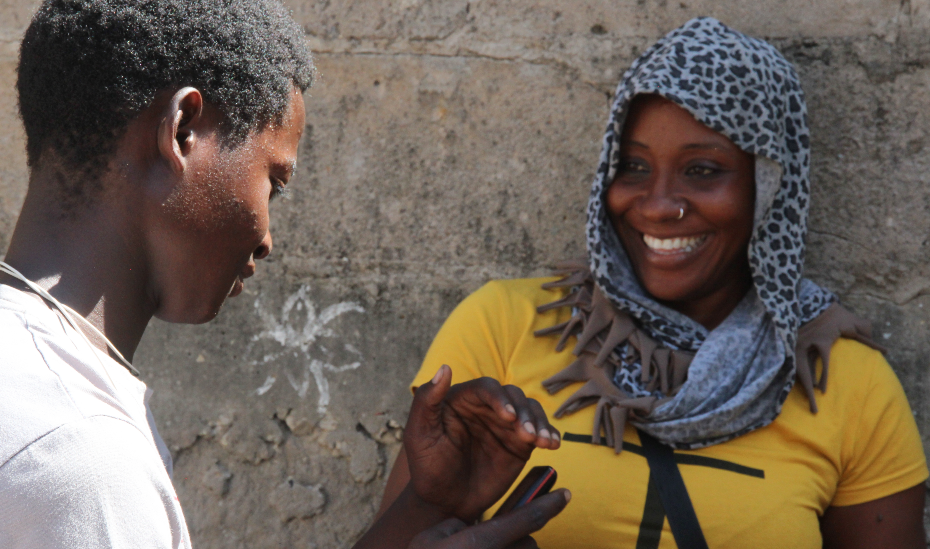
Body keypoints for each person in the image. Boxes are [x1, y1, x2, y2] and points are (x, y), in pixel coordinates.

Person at [0, 1, 570, 548]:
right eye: (273, 181)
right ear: (183, 130)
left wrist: (423, 509)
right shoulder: (70, 454)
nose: (268, 238)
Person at [381, 17, 929, 549]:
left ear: (769, 189)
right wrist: (431, 505)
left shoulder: (843, 381)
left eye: (703, 170)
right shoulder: (506, 326)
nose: (659, 205)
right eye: (635, 167)